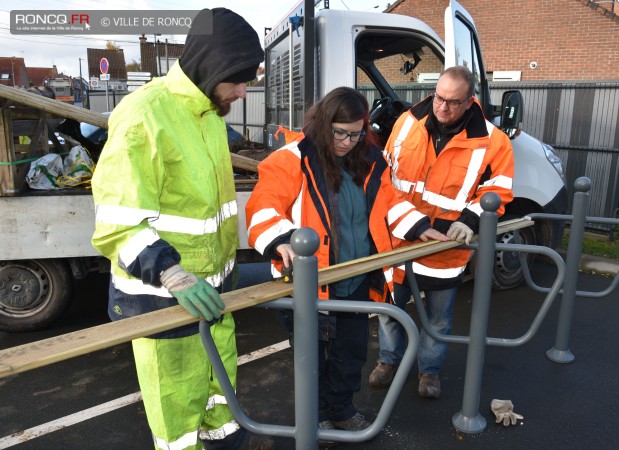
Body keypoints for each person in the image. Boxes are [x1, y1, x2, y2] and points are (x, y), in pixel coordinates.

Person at [91, 8, 273, 450]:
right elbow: (118, 222)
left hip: (213, 294)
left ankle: (229, 444)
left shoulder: (208, 113)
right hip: (162, 302)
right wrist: (171, 273)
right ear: (213, 66)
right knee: (177, 417)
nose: (243, 91)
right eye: (239, 79)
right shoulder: (144, 116)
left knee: (219, 392)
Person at [245, 87, 448, 433]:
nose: (348, 141)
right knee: (313, 362)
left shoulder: (368, 159)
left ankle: (340, 410)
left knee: (350, 355)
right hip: (307, 286)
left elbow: (390, 200)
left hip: (354, 282)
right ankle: (315, 418)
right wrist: (280, 242)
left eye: (356, 133)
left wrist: (419, 226)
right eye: (340, 133)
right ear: (324, 124)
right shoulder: (292, 159)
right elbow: (263, 207)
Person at [369, 66, 515, 399]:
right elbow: (386, 176)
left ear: (469, 101)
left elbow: (498, 191)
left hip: (446, 247)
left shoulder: (494, 143)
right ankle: (388, 361)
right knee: (390, 309)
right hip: (398, 239)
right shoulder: (406, 123)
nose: (442, 107)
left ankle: (428, 372)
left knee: (438, 319)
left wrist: (472, 219)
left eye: (452, 101)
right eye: (439, 97)